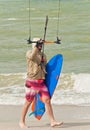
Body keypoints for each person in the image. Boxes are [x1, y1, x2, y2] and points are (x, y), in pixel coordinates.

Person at [19, 38, 63, 128]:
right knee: (28, 102)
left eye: (41, 44)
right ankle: (21, 122)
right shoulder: (29, 53)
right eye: (38, 44)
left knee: (47, 101)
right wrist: (36, 46)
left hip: (41, 82)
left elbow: (46, 69)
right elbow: (32, 56)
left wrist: (54, 76)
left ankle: (52, 121)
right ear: (34, 45)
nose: (40, 45)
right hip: (31, 82)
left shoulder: (43, 55)